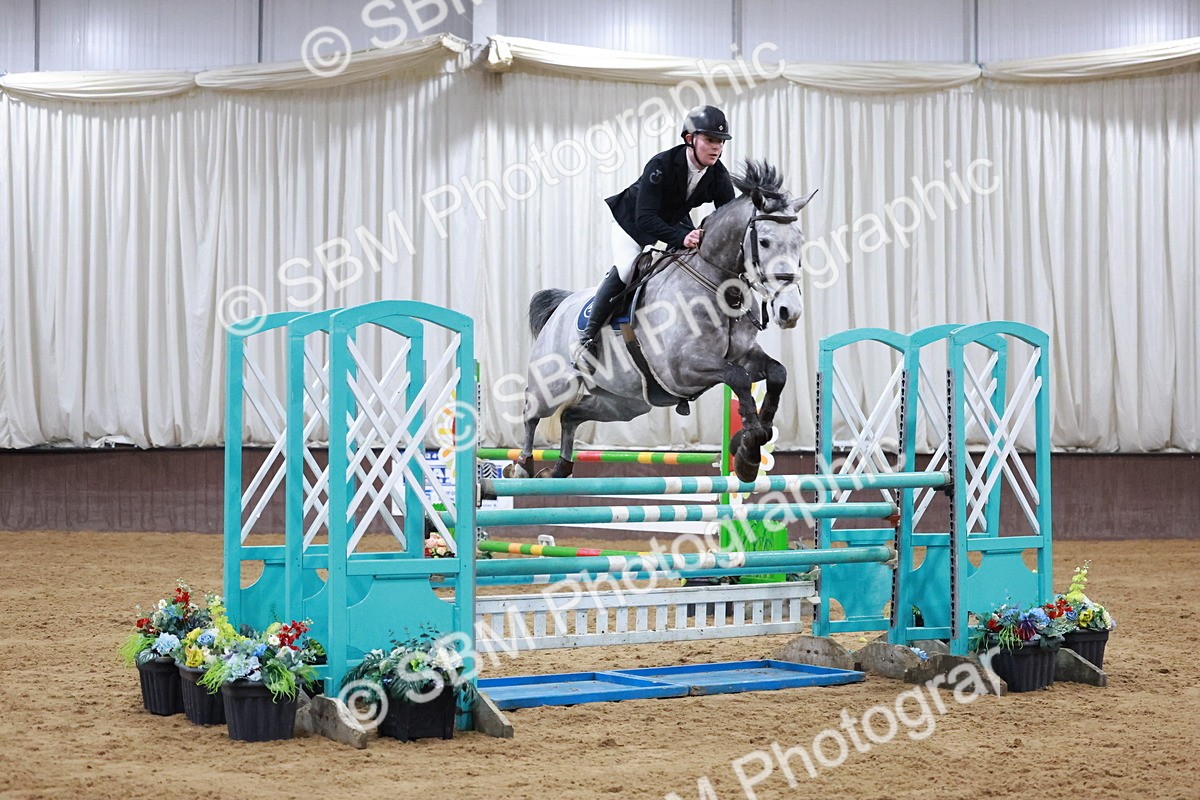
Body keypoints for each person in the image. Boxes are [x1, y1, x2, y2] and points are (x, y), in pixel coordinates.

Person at [577, 105, 736, 361]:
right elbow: (646, 217)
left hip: (673, 220)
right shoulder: (661, 165)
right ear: (689, 139)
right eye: (709, 139)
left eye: (720, 141)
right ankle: (588, 338)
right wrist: (682, 237)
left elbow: (727, 217)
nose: (716, 147)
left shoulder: (718, 175)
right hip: (633, 221)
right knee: (628, 268)